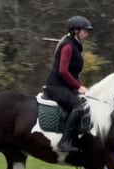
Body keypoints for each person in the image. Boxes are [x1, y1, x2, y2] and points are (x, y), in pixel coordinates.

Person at [44, 16, 93, 152]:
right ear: (75, 31)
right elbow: (63, 71)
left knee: (85, 102)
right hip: (56, 87)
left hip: (65, 86)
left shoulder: (76, 46)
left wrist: (81, 87)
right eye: (85, 31)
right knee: (79, 108)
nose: (87, 34)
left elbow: (73, 73)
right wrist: (78, 87)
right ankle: (64, 142)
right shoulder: (68, 46)